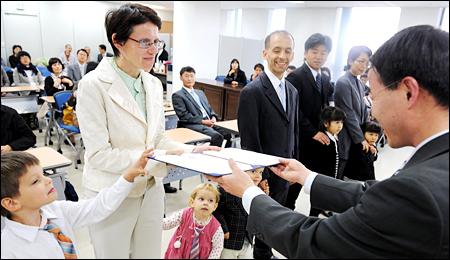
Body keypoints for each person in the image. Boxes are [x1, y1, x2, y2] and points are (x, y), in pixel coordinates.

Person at [206, 24, 449, 258]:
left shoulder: (417, 192)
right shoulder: (436, 165)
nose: (372, 111)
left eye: (373, 96)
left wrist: (248, 192)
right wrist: (305, 176)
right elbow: (368, 194)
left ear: (409, 91)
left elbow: (316, 241)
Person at [76, 4, 220, 258]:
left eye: (157, 42)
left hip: (151, 191)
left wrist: (190, 151)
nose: (154, 50)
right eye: (144, 42)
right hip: (112, 192)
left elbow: (156, 138)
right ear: (118, 41)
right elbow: (99, 154)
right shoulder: (93, 86)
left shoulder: (152, 83)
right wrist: (155, 161)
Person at [0, 149, 154, 259]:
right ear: (11, 203)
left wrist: (127, 177)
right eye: (36, 181)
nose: (48, 180)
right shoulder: (8, 248)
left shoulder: (57, 211)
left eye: (44, 174)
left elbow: (98, 207)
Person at [237, 30, 299, 259]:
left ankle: (266, 252)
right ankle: (260, 255)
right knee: (262, 222)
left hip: (286, 170)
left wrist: (295, 166)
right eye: (276, 50)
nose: (282, 56)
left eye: (288, 51)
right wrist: (260, 176)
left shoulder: (292, 90)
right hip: (265, 174)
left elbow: (294, 130)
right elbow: (249, 140)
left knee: (277, 220)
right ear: (265, 53)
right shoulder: (252, 92)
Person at [285, 33, 333, 211]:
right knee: (294, 185)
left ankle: (315, 215)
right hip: (301, 141)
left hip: (320, 140)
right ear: (305, 53)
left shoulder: (325, 79)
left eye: (323, 53)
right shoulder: (295, 77)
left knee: (316, 182)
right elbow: (294, 111)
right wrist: (313, 132)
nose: (319, 56)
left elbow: (324, 107)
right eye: (314, 52)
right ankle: (286, 215)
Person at [334, 46, 373, 179]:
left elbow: (363, 111)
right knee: (338, 175)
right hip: (345, 136)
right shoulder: (343, 82)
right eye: (360, 61)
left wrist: (368, 134)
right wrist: (361, 139)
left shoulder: (358, 82)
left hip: (357, 134)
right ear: (350, 61)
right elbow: (349, 114)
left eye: (367, 63)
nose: (364, 66)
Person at [172, 66, 232, 147]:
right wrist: (203, 122)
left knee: (227, 133)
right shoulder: (178, 95)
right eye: (186, 76)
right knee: (216, 136)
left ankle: (224, 155)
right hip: (192, 124)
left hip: (208, 121)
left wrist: (213, 117)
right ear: (181, 78)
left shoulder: (200, 92)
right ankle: (211, 157)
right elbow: (184, 116)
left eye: (191, 76)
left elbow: (209, 108)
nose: (189, 79)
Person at [163, 183, 224, 259]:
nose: (205, 203)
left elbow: (217, 248)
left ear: (215, 206)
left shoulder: (216, 228)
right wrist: (154, 221)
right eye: (201, 199)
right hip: (178, 254)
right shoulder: (184, 214)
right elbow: (167, 223)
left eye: (210, 201)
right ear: (192, 202)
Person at [213, 168, 263, 259]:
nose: (258, 176)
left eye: (261, 172)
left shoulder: (256, 192)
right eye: (253, 171)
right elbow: (216, 211)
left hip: (247, 241)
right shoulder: (225, 190)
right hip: (229, 242)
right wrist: (224, 228)